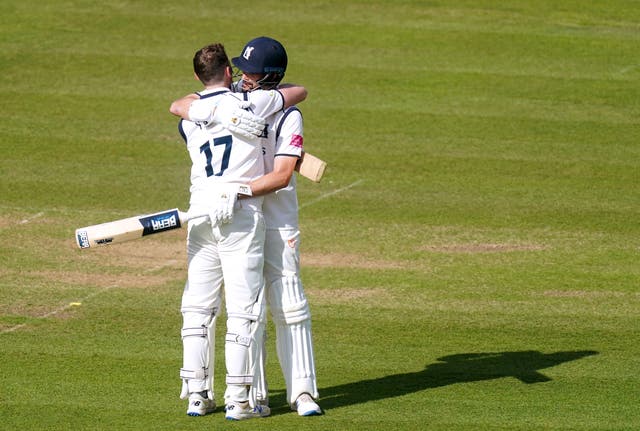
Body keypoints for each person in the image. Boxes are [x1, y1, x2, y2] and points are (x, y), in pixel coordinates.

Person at [169, 42, 307, 420]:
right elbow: (299, 92)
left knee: (197, 307)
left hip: (200, 213)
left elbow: (180, 107)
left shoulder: (190, 117)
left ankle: (197, 393)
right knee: (244, 310)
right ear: (229, 72)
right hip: (240, 214)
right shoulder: (254, 105)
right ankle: (239, 400)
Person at [232, 36, 323, 417]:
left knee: (290, 302)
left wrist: (236, 189)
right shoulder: (230, 103)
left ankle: (302, 393)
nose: (241, 75)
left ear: (269, 77)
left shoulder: (289, 115)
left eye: (249, 71)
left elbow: (284, 174)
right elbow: (184, 104)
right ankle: (254, 395)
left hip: (278, 215)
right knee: (246, 305)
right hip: (240, 218)